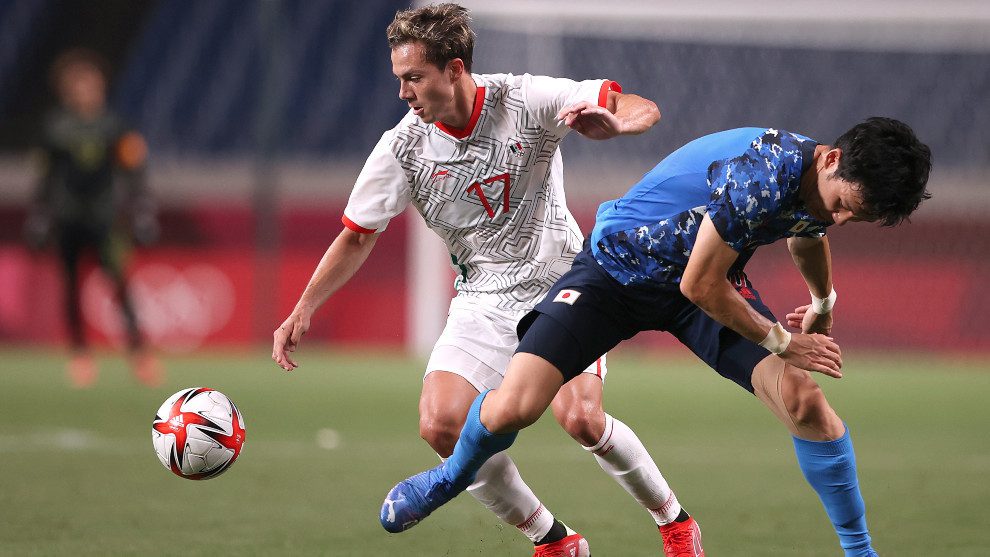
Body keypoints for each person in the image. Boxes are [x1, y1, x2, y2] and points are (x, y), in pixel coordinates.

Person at [383, 117, 933, 557]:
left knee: (804, 401)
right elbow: (701, 285)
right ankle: (452, 478)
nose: (838, 219)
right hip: (615, 273)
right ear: (831, 159)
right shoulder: (763, 175)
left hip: (697, 282)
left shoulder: (819, 182)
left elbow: (805, 232)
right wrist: (784, 343)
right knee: (516, 408)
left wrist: (822, 301)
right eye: (842, 204)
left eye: (852, 217)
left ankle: (860, 553)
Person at [272, 4, 704, 555]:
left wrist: (618, 123)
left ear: (454, 69)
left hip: (566, 281)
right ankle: (553, 540)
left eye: (413, 78)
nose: (403, 93)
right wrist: (304, 307)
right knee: (440, 425)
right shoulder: (402, 148)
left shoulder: (525, 99)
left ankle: (674, 522)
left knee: (581, 418)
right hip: (483, 296)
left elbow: (635, 104)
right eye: (398, 79)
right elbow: (358, 234)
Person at [24, 48, 162, 388]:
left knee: (119, 283)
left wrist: (142, 209)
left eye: (91, 83)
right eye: (79, 85)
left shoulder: (114, 126)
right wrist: (40, 215)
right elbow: (45, 175)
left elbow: (134, 170)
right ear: (68, 89)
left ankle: (138, 352)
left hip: (105, 218)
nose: (86, 90)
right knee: (71, 287)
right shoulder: (56, 128)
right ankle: (80, 354)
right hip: (68, 217)